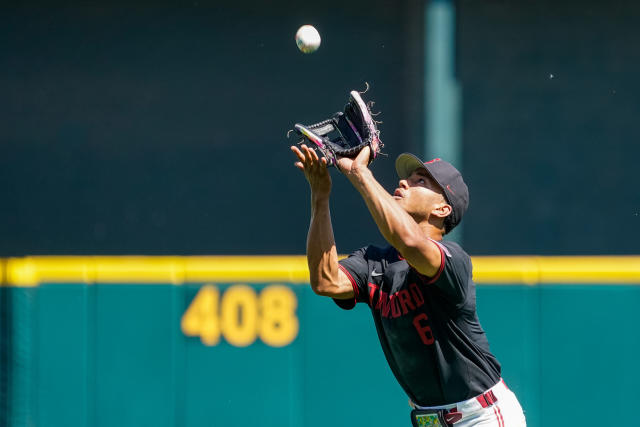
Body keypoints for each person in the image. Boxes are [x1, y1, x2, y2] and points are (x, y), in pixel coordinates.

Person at [290, 143, 527, 426]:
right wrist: (320, 196)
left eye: (420, 181)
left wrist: (360, 173)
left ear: (442, 208)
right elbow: (325, 281)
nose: (404, 182)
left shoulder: (454, 261)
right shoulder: (374, 262)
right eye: (409, 178)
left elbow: (411, 242)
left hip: (481, 416)